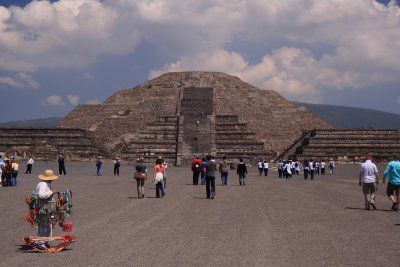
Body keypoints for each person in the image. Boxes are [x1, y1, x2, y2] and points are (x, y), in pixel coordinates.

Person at [35, 170, 59, 247]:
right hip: (43, 208)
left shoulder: (44, 184)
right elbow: (41, 195)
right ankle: (41, 242)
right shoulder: (43, 184)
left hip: (45, 208)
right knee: (44, 225)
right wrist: (52, 192)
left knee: (46, 225)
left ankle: (44, 241)